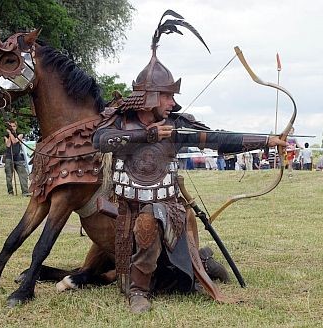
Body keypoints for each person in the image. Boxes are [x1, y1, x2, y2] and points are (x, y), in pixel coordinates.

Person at [92, 21, 286, 313]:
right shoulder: (120, 122)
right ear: (150, 97)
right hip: (125, 205)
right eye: (168, 95)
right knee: (129, 225)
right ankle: (177, 272)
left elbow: (218, 139)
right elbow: (101, 140)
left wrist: (267, 141)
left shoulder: (178, 125)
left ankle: (145, 288)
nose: (172, 102)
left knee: (149, 222)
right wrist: (149, 135)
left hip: (166, 206)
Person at [4, 120, 30, 196]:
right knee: (9, 176)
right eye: (11, 126)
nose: (12, 128)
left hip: (18, 157)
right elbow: (8, 145)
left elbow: (15, 141)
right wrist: (9, 134)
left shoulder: (20, 134)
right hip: (9, 157)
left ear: (16, 127)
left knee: (23, 175)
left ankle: (25, 192)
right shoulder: (6, 135)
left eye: (14, 126)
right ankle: (10, 192)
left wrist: (11, 134)